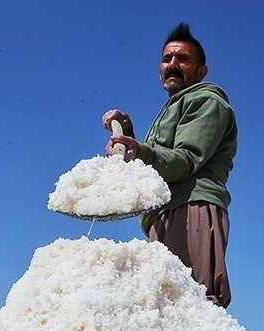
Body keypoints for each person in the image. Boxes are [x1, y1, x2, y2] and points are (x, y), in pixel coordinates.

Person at [102, 23, 237, 308]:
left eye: (183, 59)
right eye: (167, 59)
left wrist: (139, 150)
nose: (173, 64)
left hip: (190, 208)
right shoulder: (173, 107)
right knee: (165, 308)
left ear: (201, 71)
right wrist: (129, 134)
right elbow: (160, 161)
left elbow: (185, 161)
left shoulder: (206, 103)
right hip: (163, 213)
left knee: (197, 303)